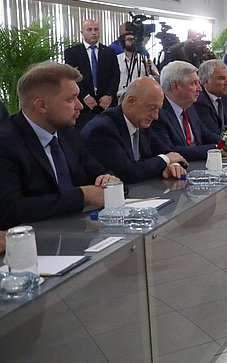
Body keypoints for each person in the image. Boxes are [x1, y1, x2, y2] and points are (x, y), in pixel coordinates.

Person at [0, 62, 119, 229]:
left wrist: (108, 180)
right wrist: (82, 195)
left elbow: (99, 173)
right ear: (41, 105)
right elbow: (9, 211)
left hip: (80, 235)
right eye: (70, 99)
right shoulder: (6, 144)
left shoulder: (67, 132)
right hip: (37, 244)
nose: (79, 106)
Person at [81, 77, 187, 183]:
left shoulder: (140, 122)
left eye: (158, 109)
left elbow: (167, 152)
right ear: (131, 101)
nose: (156, 116)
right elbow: (127, 172)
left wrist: (173, 165)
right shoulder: (103, 129)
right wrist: (166, 160)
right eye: (151, 108)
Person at [150, 61, 221, 161]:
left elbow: (206, 134)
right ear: (175, 86)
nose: (200, 89)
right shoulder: (158, 112)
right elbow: (171, 151)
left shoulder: (189, 106)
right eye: (193, 83)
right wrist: (217, 149)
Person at [64, 18, 121, 128]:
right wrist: (84, 96)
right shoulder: (72, 53)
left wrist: (109, 95)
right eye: (89, 30)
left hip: (105, 103)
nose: (93, 33)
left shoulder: (109, 52)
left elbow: (115, 75)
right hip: (83, 104)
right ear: (82, 33)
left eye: (96, 29)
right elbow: (71, 78)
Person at [192, 60, 227, 133]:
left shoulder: (226, 97)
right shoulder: (199, 101)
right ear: (206, 81)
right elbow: (213, 132)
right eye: (221, 78)